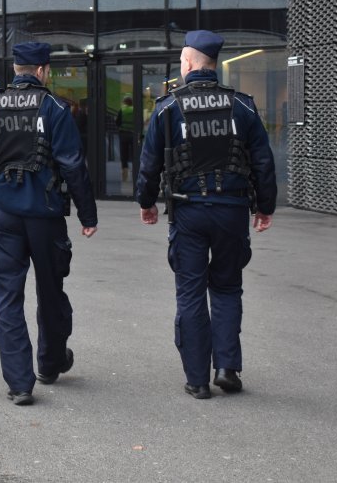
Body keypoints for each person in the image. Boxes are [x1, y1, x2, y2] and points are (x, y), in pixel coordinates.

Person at [136, 30, 277, 400]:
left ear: (187, 63)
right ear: (213, 65)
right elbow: (263, 161)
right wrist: (265, 207)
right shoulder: (243, 106)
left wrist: (146, 202)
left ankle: (197, 379)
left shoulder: (168, 107)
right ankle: (227, 366)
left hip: (188, 210)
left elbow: (149, 164)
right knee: (228, 286)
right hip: (232, 210)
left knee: (191, 292)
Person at [0, 42, 98, 406]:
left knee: (8, 295)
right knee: (51, 291)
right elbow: (72, 164)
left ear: (17, 69)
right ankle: (49, 364)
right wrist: (87, 215)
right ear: (42, 71)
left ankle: (20, 383)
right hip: (46, 215)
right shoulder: (54, 107)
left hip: (3, 215)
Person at [115, 95, 134, 181]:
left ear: (124, 102)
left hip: (123, 134)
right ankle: (135, 170)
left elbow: (117, 122)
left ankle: (124, 172)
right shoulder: (134, 110)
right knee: (134, 154)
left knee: (124, 154)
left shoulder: (121, 110)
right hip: (133, 134)